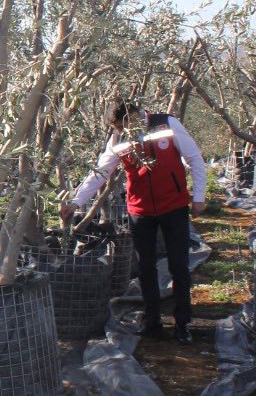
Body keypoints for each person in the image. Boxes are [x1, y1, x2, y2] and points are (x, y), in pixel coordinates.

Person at [61, 100, 207, 342]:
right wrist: (76, 202)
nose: (119, 131)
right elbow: (100, 173)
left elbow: (194, 158)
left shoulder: (166, 124)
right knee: (145, 267)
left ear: (133, 117)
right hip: (141, 211)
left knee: (179, 266)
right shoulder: (118, 140)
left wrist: (199, 196)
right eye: (116, 127)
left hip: (174, 207)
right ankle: (153, 321)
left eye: (120, 125)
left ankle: (183, 323)